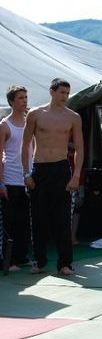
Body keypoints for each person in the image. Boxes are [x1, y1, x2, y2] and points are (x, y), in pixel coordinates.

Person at [21, 78, 84, 275]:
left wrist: (76, 175)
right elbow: (25, 144)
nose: (65, 96)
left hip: (61, 169)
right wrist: (26, 172)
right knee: (38, 217)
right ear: (51, 92)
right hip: (40, 168)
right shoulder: (35, 114)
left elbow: (80, 148)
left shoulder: (73, 117)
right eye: (61, 92)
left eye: (67, 93)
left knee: (62, 218)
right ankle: (39, 261)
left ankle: (65, 263)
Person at [0, 85, 32, 271]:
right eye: (20, 98)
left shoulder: (31, 122)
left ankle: (21, 257)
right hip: (10, 180)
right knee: (9, 221)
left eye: (26, 97)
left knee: (25, 221)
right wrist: (1, 183)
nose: (25, 101)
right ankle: (8, 261)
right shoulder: (4, 125)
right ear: (12, 102)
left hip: (28, 179)